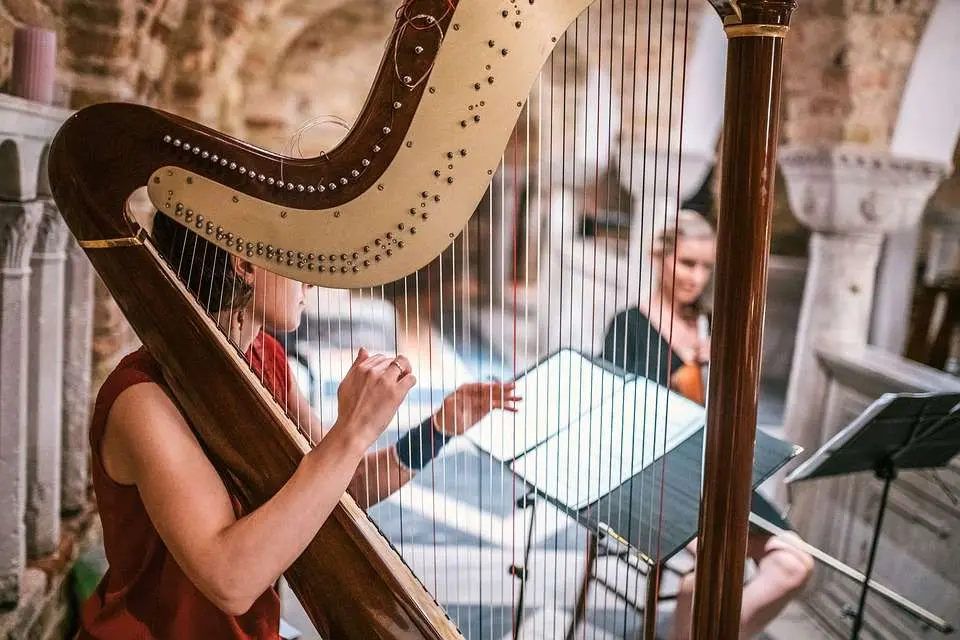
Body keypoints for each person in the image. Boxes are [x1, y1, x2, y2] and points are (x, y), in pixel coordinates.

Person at [78, 210, 519, 639]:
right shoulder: (141, 400)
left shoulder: (265, 359)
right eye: (296, 256)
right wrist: (353, 430)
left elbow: (344, 486)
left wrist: (438, 429)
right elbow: (229, 580)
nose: (309, 277)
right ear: (245, 264)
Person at [601, 209, 814, 640]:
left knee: (795, 563)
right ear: (656, 257)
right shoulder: (629, 325)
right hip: (652, 477)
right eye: (686, 263)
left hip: (713, 473)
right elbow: (622, 418)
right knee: (716, 577)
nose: (696, 277)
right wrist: (685, 373)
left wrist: (726, 370)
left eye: (705, 267)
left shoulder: (711, 325)